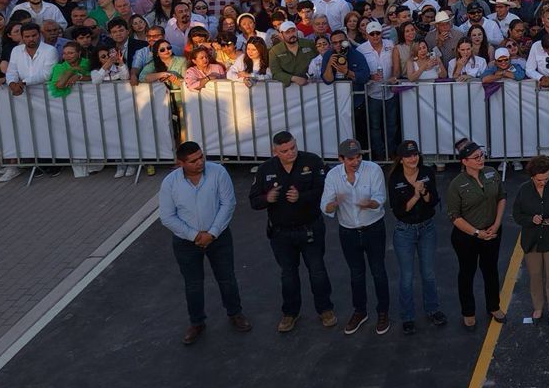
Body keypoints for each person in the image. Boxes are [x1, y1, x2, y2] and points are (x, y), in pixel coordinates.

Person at [158, 141, 250, 344]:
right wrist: (195, 236)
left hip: (219, 238)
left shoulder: (218, 173)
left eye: (201, 157)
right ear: (180, 163)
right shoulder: (169, 183)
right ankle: (196, 322)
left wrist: (213, 233)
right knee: (193, 284)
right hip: (185, 243)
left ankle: (235, 313)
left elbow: (228, 203)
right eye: (193, 160)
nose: (200, 162)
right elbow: (167, 216)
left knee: (226, 278)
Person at [248, 130, 335, 334]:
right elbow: (253, 200)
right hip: (281, 233)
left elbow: (325, 189)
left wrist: (302, 196)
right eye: (284, 150)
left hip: (310, 228)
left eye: (293, 147)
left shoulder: (312, 161)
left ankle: (325, 310)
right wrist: (266, 199)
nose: (290, 153)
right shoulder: (265, 169)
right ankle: (290, 313)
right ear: (275, 151)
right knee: (288, 274)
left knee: (318, 271)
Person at [322, 137, 390, 336]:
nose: (356, 161)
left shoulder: (373, 170)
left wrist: (370, 204)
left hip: (374, 229)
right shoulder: (333, 176)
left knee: (378, 271)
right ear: (341, 158)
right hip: (348, 231)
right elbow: (325, 204)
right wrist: (333, 204)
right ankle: (360, 311)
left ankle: (383, 311)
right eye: (351, 158)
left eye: (358, 156)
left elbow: (380, 198)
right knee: (356, 274)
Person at [387, 139, 446, 335]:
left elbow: (434, 201)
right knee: (407, 277)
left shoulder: (427, 173)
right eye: (408, 156)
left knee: (428, 273)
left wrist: (425, 192)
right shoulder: (394, 178)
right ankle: (408, 316)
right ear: (401, 159)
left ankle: (433, 309)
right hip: (405, 231)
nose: (413, 158)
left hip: (427, 228)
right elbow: (399, 211)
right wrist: (415, 195)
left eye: (415, 154)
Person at [446, 140, 506, 330]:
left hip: (492, 232)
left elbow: (501, 197)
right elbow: (455, 217)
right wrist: (477, 233)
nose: (481, 159)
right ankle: (468, 312)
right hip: (467, 237)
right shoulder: (457, 185)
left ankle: (494, 307)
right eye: (476, 157)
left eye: (482, 155)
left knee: (491, 270)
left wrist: (496, 224)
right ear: (465, 161)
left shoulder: (491, 173)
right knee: (467, 273)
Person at [512, 154, 549, 323]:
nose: (543, 182)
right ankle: (538, 307)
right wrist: (531, 220)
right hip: (532, 239)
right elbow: (516, 215)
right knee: (535, 275)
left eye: (546, 178)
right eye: (539, 180)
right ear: (532, 176)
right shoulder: (524, 189)